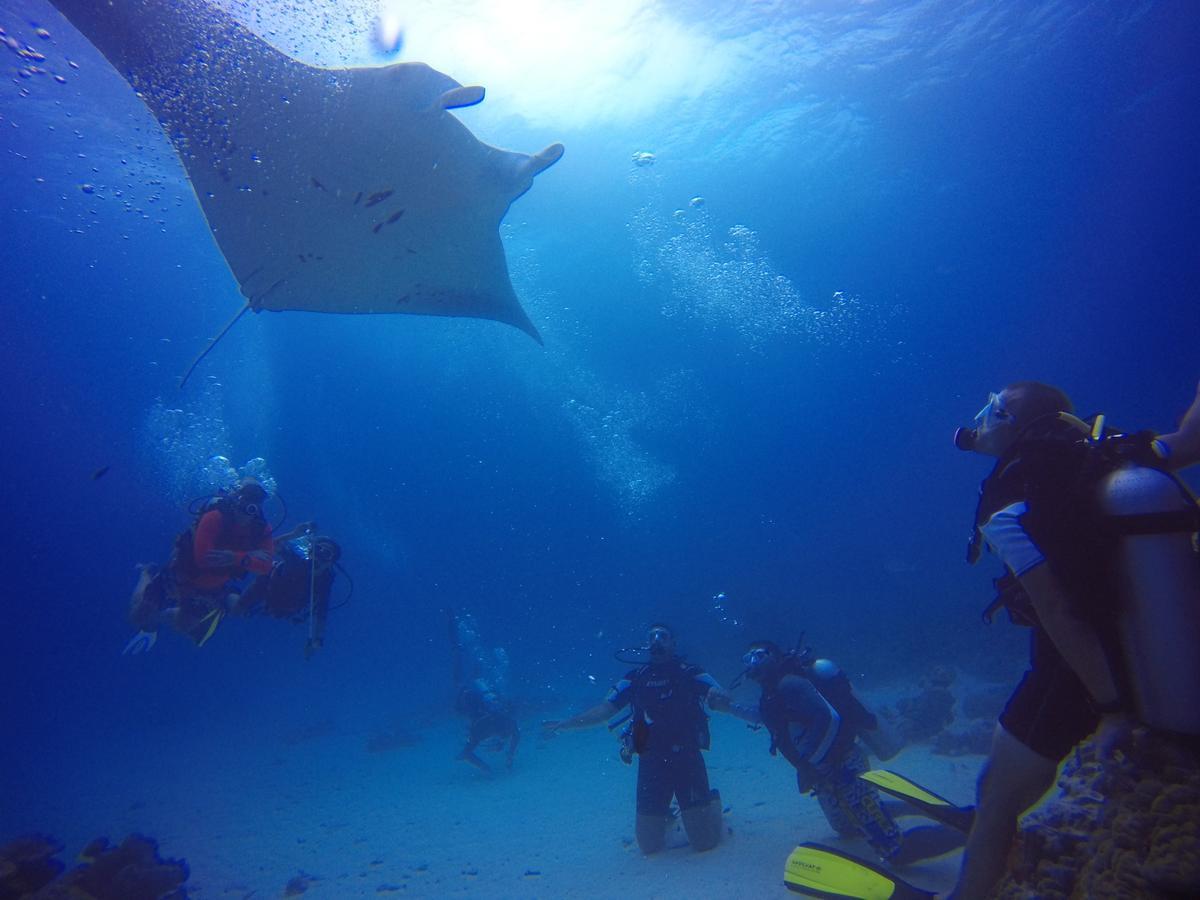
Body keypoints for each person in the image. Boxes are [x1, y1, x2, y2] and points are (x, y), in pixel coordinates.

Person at [946, 378, 1200, 899]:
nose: (983, 417)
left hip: (1076, 673)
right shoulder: (1105, 458)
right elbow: (1189, 438)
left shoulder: (1012, 501)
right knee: (998, 787)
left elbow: (1059, 611)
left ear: (1017, 423)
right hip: (1146, 643)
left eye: (995, 408)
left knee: (996, 798)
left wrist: (1108, 709)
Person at [715, 641, 961, 866]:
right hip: (821, 771)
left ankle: (964, 828)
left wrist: (812, 762)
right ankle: (909, 807)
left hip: (842, 764)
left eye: (756, 657)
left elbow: (829, 718)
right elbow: (767, 717)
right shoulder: (773, 693)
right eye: (747, 659)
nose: (751, 665)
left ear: (772, 657)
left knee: (893, 848)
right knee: (845, 827)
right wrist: (730, 708)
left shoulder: (791, 684)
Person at [542, 624, 725, 854]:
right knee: (649, 847)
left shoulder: (690, 672)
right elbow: (605, 709)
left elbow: (720, 695)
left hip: (687, 759)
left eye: (663, 636)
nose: (657, 641)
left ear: (673, 643)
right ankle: (671, 814)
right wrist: (565, 724)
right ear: (646, 644)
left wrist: (718, 698)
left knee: (704, 844)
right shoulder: (635, 677)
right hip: (651, 761)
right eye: (652, 637)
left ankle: (712, 801)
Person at [125, 477, 275, 651]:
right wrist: (248, 557)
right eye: (247, 496)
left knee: (183, 625)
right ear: (237, 496)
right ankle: (146, 573)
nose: (251, 505)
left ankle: (158, 618)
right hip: (182, 573)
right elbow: (203, 558)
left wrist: (236, 557)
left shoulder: (262, 529)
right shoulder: (215, 516)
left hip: (212, 585)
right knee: (138, 616)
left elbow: (266, 566)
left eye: (257, 500)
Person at [232, 524, 338, 658]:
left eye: (327, 554)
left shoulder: (324, 581)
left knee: (260, 616)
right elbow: (271, 546)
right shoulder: (296, 560)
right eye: (318, 550)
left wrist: (316, 640)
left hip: (288, 608)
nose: (320, 557)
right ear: (310, 551)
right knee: (237, 610)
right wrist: (294, 534)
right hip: (266, 587)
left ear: (330, 563)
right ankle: (227, 594)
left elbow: (321, 612)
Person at [449, 609, 520, 773]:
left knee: (465, 680)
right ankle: (460, 650)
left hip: (480, 704)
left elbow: (516, 736)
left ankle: (465, 655)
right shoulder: (481, 730)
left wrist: (509, 755)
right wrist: (486, 767)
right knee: (460, 684)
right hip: (469, 700)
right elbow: (466, 753)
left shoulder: (507, 724)